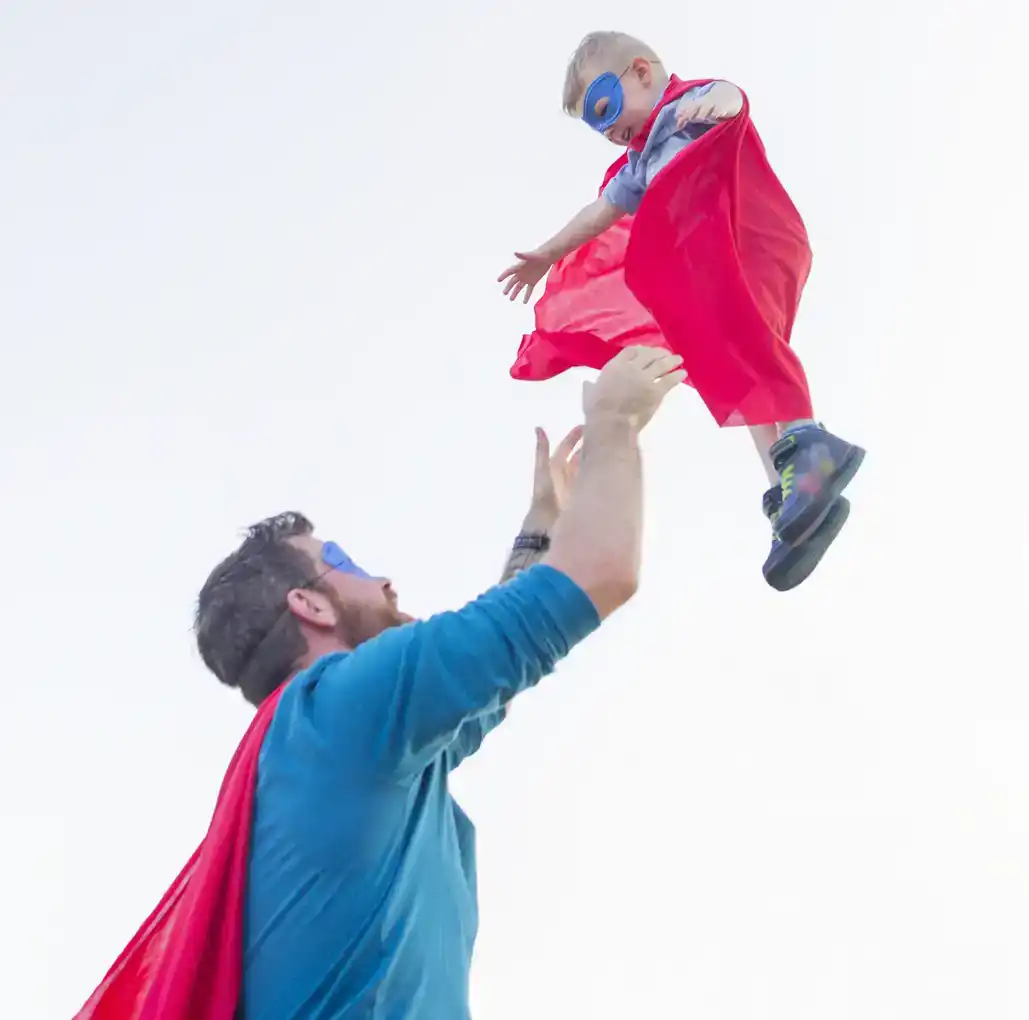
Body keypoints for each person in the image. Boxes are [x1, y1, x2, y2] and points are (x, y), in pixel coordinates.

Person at [72, 346, 685, 1020]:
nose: (383, 580)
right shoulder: (339, 710)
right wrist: (615, 419)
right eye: (340, 561)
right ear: (310, 606)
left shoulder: (338, 747)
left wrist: (541, 526)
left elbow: (501, 662)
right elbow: (597, 574)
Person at [497, 30, 865, 592]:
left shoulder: (682, 108)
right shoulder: (638, 163)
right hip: (707, 262)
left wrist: (715, 103)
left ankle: (810, 446)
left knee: (749, 344)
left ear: (642, 73)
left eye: (605, 106)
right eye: (595, 127)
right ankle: (789, 499)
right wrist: (547, 254)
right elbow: (599, 212)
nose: (607, 129)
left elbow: (731, 101)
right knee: (730, 374)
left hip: (749, 240)